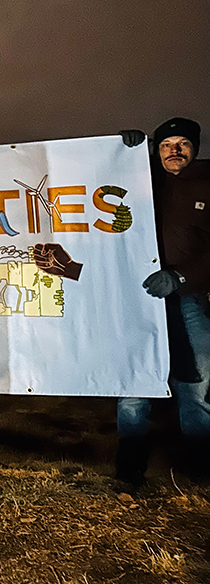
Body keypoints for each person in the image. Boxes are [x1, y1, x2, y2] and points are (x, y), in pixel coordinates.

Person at [116, 117, 210, 486]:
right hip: (140, 299)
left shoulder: (206, 184)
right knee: (133, 387)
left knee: (196, 387)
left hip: (189, 300)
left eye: (183, 144)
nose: (175, 150)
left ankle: (200, 474)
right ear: (156, 150)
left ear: (194, 148)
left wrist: (180, 277)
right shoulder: (139, 181)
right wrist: (123, 150)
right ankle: (129, 472)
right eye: (167, 144)